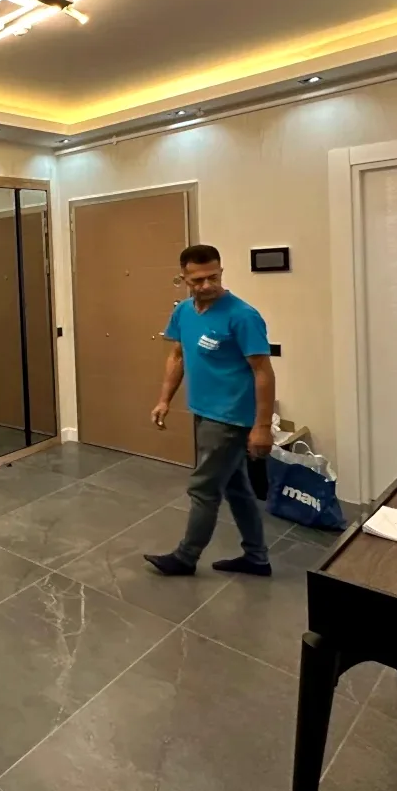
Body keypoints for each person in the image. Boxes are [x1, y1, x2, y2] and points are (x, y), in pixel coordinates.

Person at [144, 244, 276, 577]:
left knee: (203, 487)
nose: (206, 285)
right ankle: (257, 557)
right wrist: (164, 399)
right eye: (197, 280)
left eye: (213, 277)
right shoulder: (184, 312)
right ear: (183, 278)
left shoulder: (243, 316)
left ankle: (185, 557)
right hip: (203, 411)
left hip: (230, 417)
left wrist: (262, 427)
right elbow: (178, 355)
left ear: (221, 272)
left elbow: (263, 371)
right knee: (236, 486)